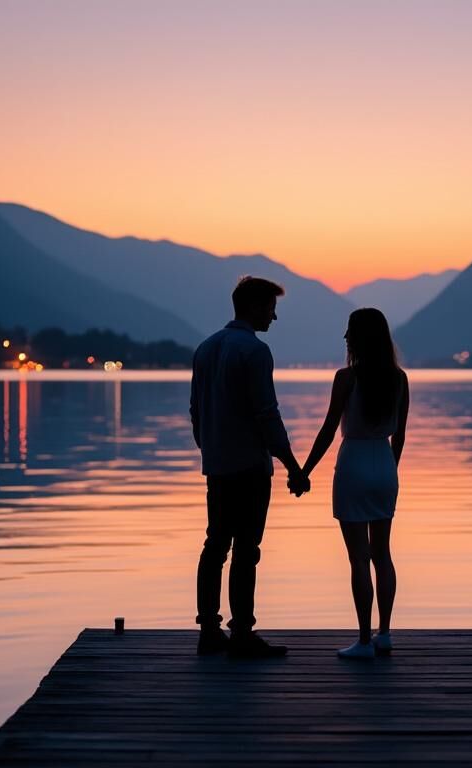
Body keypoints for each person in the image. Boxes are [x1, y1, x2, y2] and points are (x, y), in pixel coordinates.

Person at [190, 275, 310, 659]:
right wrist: (293, 466)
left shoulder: (206, 349)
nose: (275, 318)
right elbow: (266, 415)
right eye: (272, 309)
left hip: (218, 465)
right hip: (249, 469)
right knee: (246, 549)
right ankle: (241, 633)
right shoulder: (256, 352)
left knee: (215, 545)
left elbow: (196, 411)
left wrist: (209, 448)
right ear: (256, 306)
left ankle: (209, 630)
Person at [298, 308, 409, 659]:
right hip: (384, 463)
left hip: (354, 463)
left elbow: (330, 429)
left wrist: (304, 471)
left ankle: (363, 640)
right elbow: (401, 434)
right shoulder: (399, 378)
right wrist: (391, 470)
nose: (345, 337)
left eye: (349, 331)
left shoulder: (346, 378)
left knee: (358, 559)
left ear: (359, 338)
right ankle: (385, 633)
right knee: (383, 554)